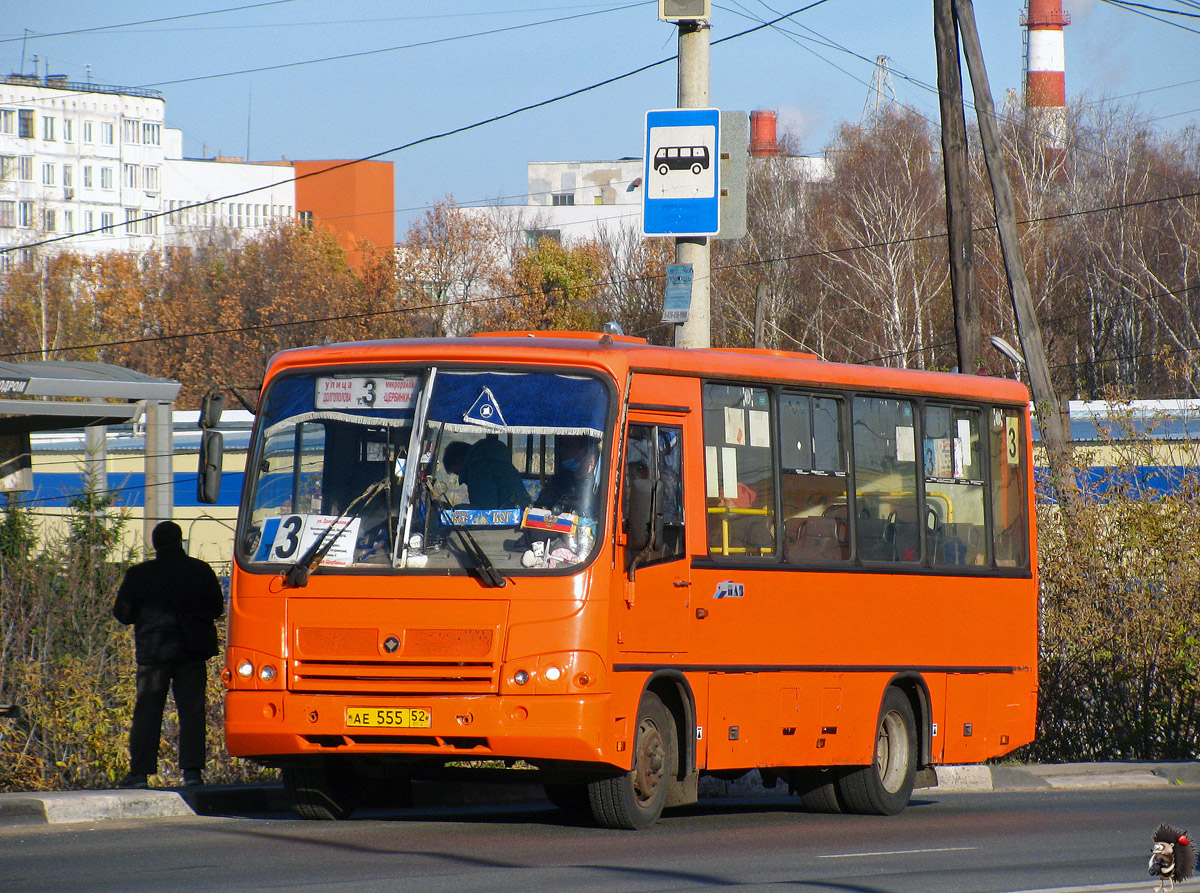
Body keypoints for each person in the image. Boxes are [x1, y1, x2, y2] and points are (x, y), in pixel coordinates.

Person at [112, 520, 224, 789]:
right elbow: (216, 608)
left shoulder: (139, 574)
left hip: (154, 654)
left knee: (148, 713)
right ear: (180, 540)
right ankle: (192, 772)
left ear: (155, 544)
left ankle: (140, 773)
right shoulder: (200, 570)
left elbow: (123, 614)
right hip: (191, 651)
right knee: (192, 713)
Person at [442, 437, 531, 509]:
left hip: (504, 528)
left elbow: (486, 510)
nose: (461, 476)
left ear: (459, 460)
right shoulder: (498, 462)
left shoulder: (478, 470)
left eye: (458, 472)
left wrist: (455, 510)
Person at [536, 435, 599, 517]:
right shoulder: (558, 480)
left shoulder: (599, 484)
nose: (561, 451)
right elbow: (539, 507)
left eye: (568, 447)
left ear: (584, 453)